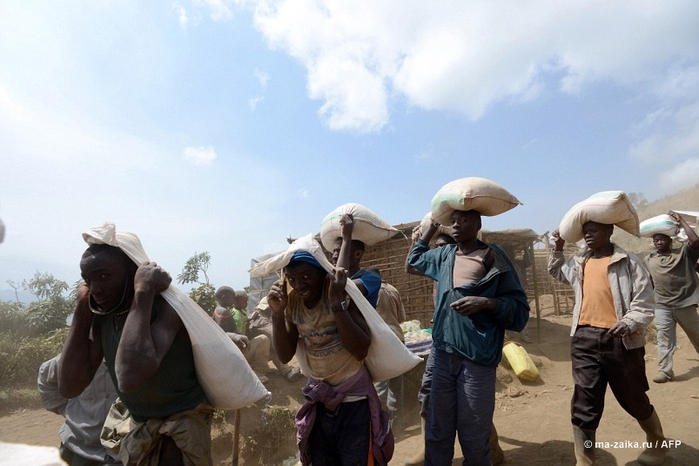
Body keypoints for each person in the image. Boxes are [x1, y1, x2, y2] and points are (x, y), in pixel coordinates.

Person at [59, 243, 212, 466]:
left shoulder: (167, 309)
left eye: (104, 276)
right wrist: (82, 309)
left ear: (133, 272)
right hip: (139, 427)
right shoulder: (105, 317)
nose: (95, 288)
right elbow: (69, 387)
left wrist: (143, 292)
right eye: (88, 280)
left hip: (178, 434)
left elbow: (129, 377)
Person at [407, 210, 529, 466]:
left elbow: (519, 309)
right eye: (454, 220)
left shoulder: (492, 256)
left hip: (477, 358)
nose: (457, 224)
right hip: (442, 354)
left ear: (478, 224)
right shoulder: (444, 255)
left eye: (464, 220)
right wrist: (428, 229)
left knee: (474, 432)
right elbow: (413, 262)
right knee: (438, 428)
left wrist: (487, 302)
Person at [549, 222, 668, 466]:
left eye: (594, 229)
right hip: (583, 338)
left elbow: (645, 302)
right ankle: (584, 460)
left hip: (621, 340)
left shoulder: (629, 262)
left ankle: (657, 444)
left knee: (633, 396)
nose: (588, 234)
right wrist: (558, 248)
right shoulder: (580, 261)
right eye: (586, 230)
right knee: (584, 402)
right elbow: (557, 271)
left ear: (609, 231)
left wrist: (629, 322)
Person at [267, 251, 392, 465]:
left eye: (306, 276)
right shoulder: (294, 303)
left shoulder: (341, 295)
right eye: (292, 279)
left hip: (354, 400)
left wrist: (336, 303)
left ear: (324, 274)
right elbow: (285, 355)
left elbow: (361, 349)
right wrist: (277, 314)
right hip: (320, 400)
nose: (299, 285)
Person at [643, 211, 699, 383]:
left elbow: (695, 241)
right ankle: (665, 371)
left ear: (670, 240)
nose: (659, 242)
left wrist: (680, 220)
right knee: (664, 339)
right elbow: (650, 282)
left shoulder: (683, 254)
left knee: (697, 334)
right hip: (662, 306)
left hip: (685, 304)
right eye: (656, 240)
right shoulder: (649, 259)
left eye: (662, 239)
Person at [37, 354, 121, 466]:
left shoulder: (137, 360)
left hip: (124, 452)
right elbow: (46, 374)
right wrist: (66, 409)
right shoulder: (77, 357)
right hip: (78, 448)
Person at [366, 265, 406, 430]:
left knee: (381, 385)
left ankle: (380, 424)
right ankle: (397, 422)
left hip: (382, 341)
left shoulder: (370, 291)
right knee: (397, 382)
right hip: (398, 338)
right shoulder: (392, 290)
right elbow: (402, 318)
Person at [213, 287, 270, 383]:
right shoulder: (224, 312)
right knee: (264, 339)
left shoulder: (217, 310)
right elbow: (223, 334)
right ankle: (258, 373)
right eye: (232, 298)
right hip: (235, 355)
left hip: (228, 354)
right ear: (224, 298)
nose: (233, 301)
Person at [331, 213, 382, 308]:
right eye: (333, 252)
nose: (334, 256)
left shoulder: (371, 278)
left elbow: (341, 289)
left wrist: (347, 238)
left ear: (357, 254)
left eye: (340, 251)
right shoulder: (328, 278)